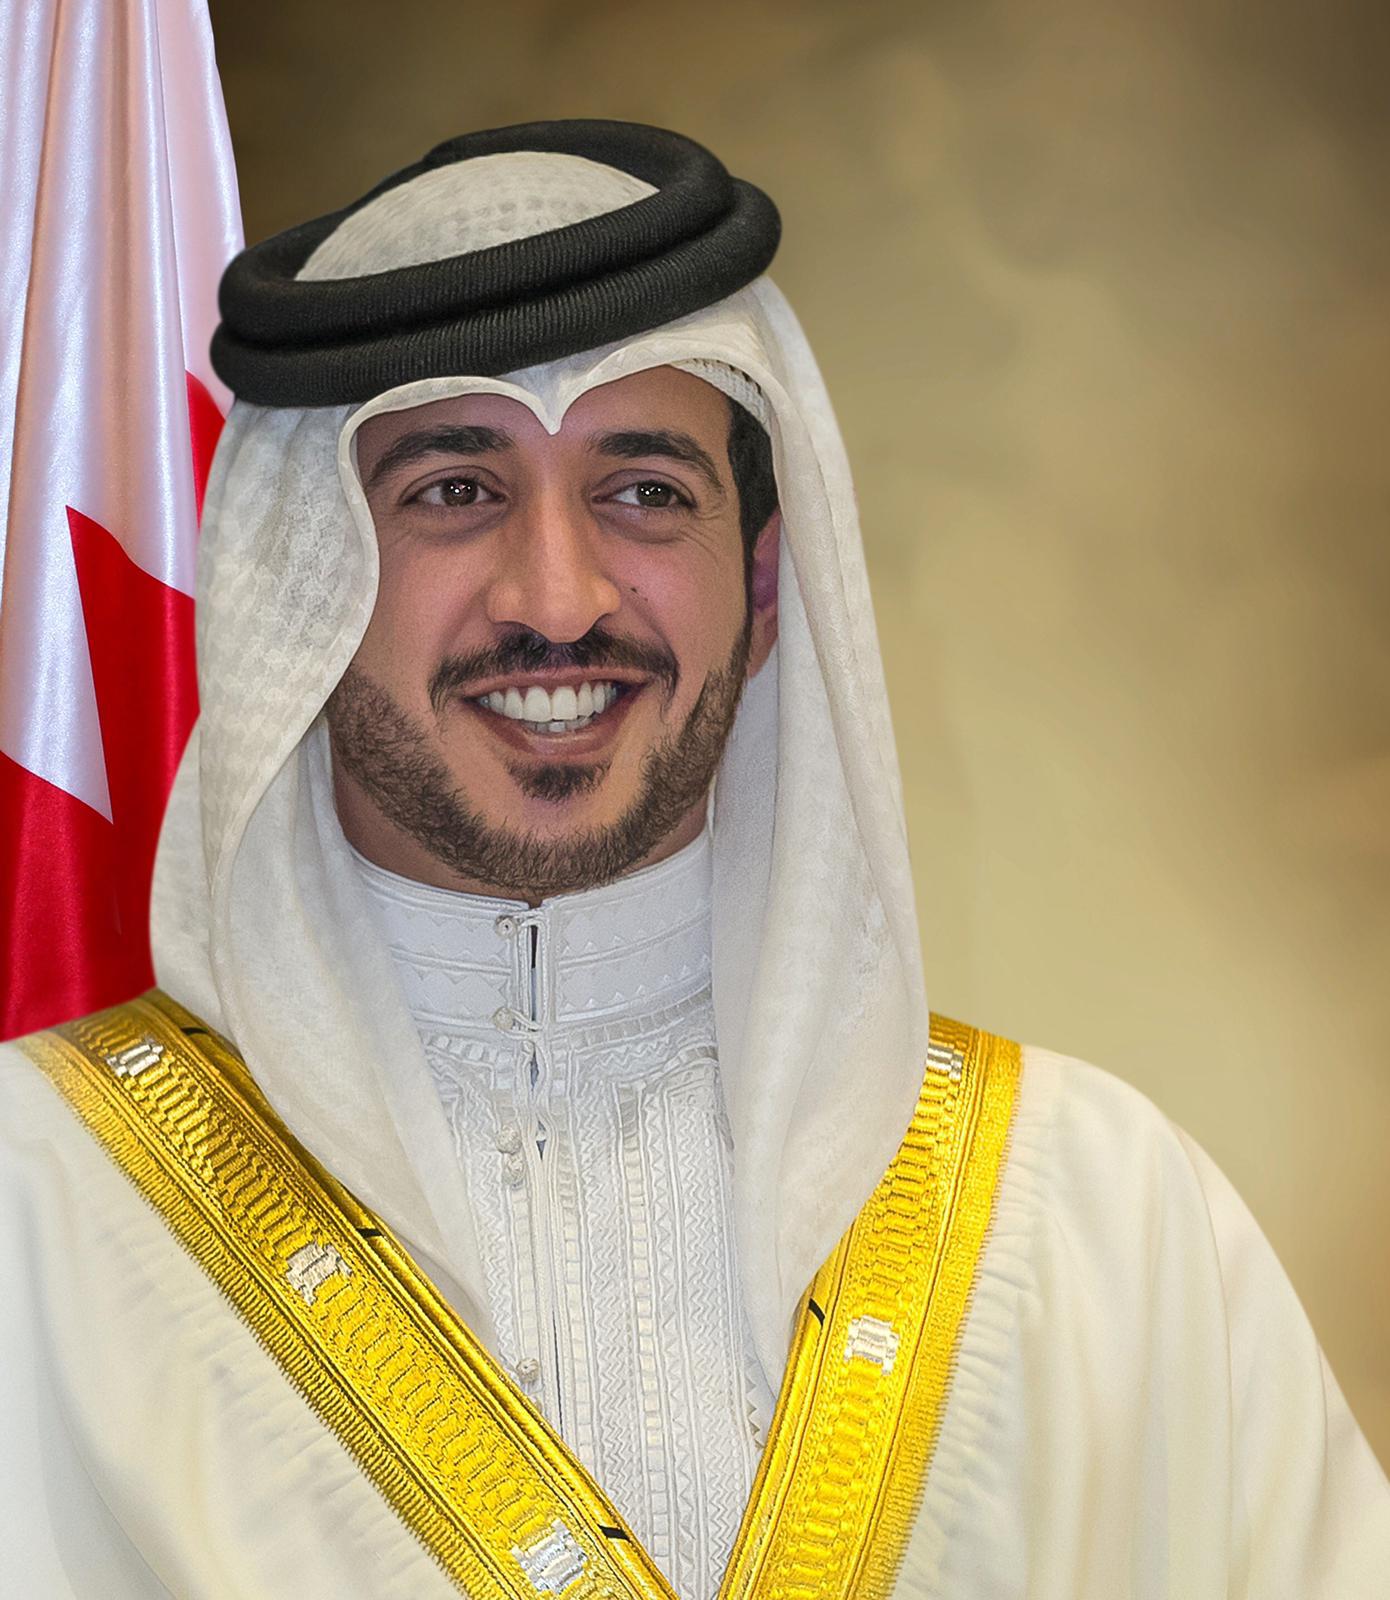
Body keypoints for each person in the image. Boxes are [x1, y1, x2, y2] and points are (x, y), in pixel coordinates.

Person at [0, 120, 1385, 1600]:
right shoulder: (40, 1215)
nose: (556, 600)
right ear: (300, 588)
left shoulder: (1104, 1220)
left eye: (645, 490)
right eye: (454, 491)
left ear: (765, 581)